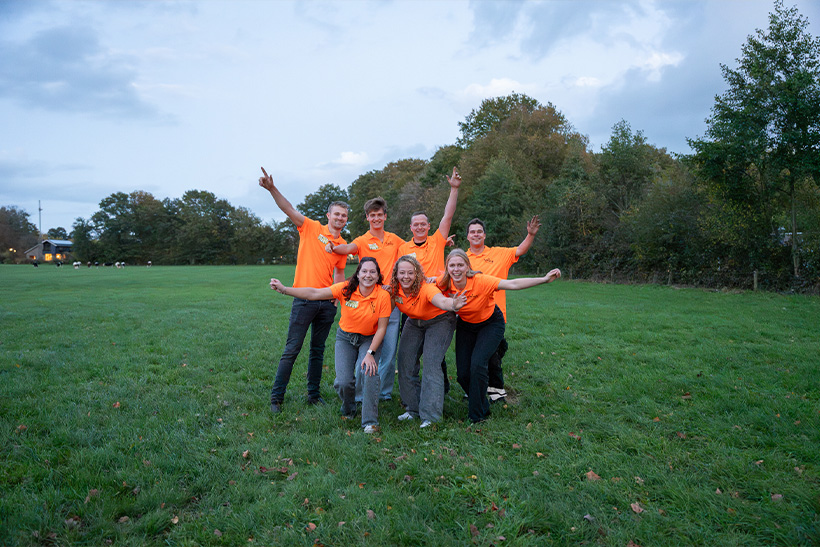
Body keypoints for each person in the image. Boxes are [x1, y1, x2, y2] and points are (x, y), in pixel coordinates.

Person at [259, 167, 349, 414]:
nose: (340, 218)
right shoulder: (311, 227)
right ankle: (277, 398)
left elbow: (339, 275)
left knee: (317, 352)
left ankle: (313, 395)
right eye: (337, 214)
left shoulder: (342, 245)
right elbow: (288, 208)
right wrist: (271, 188)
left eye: (344, 216)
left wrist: (337, 298)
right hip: (303, 300)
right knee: (292, 349)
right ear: (328, 215)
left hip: (326, 302)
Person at [438, 249, 561, 423]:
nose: (456, 269)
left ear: (467, 266)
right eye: (452, 265)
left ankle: (477, 416)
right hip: (466, 325)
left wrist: (544, 279)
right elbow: (423, 283)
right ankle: (483, 404)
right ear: (447, 267)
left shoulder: (481, 281)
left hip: (490, 323)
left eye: (460, 265)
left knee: (478, 365)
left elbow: (513, 284)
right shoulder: (444, 283)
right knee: (463, 374)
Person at [270, 257, 391, 433]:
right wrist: (284, 290)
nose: (368, 275)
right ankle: (349, 408)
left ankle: (369, 421)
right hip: (345, 338)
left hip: (370, 339)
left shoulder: (383, 295)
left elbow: (382, 329)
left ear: (378, 275)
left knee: (369, 373)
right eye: (364, 271)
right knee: (343, 382)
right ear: (358, 273)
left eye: (373, 272)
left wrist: (370, 353)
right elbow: (314, 293)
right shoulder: (346, 288)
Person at [326, 197, 405, 401]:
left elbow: (414, 251)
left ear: (385, 216)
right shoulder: (362, 240)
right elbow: (347, 248)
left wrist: (438, 244)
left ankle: (384, 392)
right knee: (366, 350)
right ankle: (360, 394)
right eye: (372, 215)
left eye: (380, 215)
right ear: (367, 217)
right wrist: (333, 247)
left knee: (388, 350)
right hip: (367, 303)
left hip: (391, 302)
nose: (376, 218)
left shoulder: (394, 240)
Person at [397, 167, 462, 393]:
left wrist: (454, 189)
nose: (420, 227)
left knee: (435, 356)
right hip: (413, 308)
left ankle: (440, 390)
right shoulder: (403, 248)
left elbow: (448, 215)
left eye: (423, 224)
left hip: (438, 305)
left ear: (428, 226)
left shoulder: (437, 241)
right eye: (416, 225)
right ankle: (416, 395)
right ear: (411, 228)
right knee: (411, 355)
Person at [466, 216, 541, 402]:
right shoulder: (463, 259)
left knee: (491, 356)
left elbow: (521, 249)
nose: (476, 234)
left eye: (479, 231)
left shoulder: (499, 253)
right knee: (471, 355)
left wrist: (530, 234)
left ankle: (496, 390)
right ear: (467, 236)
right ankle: (474, 389)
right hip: (469, 316)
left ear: (484, 235)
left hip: (494, 317)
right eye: (472, 232)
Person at [389, 255, 466, 428]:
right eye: (402, 273)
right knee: (405, 362)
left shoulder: (426, 288)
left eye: (410, 272)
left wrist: (453, 303)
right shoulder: (395, 290)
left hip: (440, 320)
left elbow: (441, 301)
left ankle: (431, 416)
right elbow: (383, 307)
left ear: (417, 274)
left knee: (431, 364)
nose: (406, 276)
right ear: (396, 274)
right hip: (414, 321)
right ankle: (413, 409)